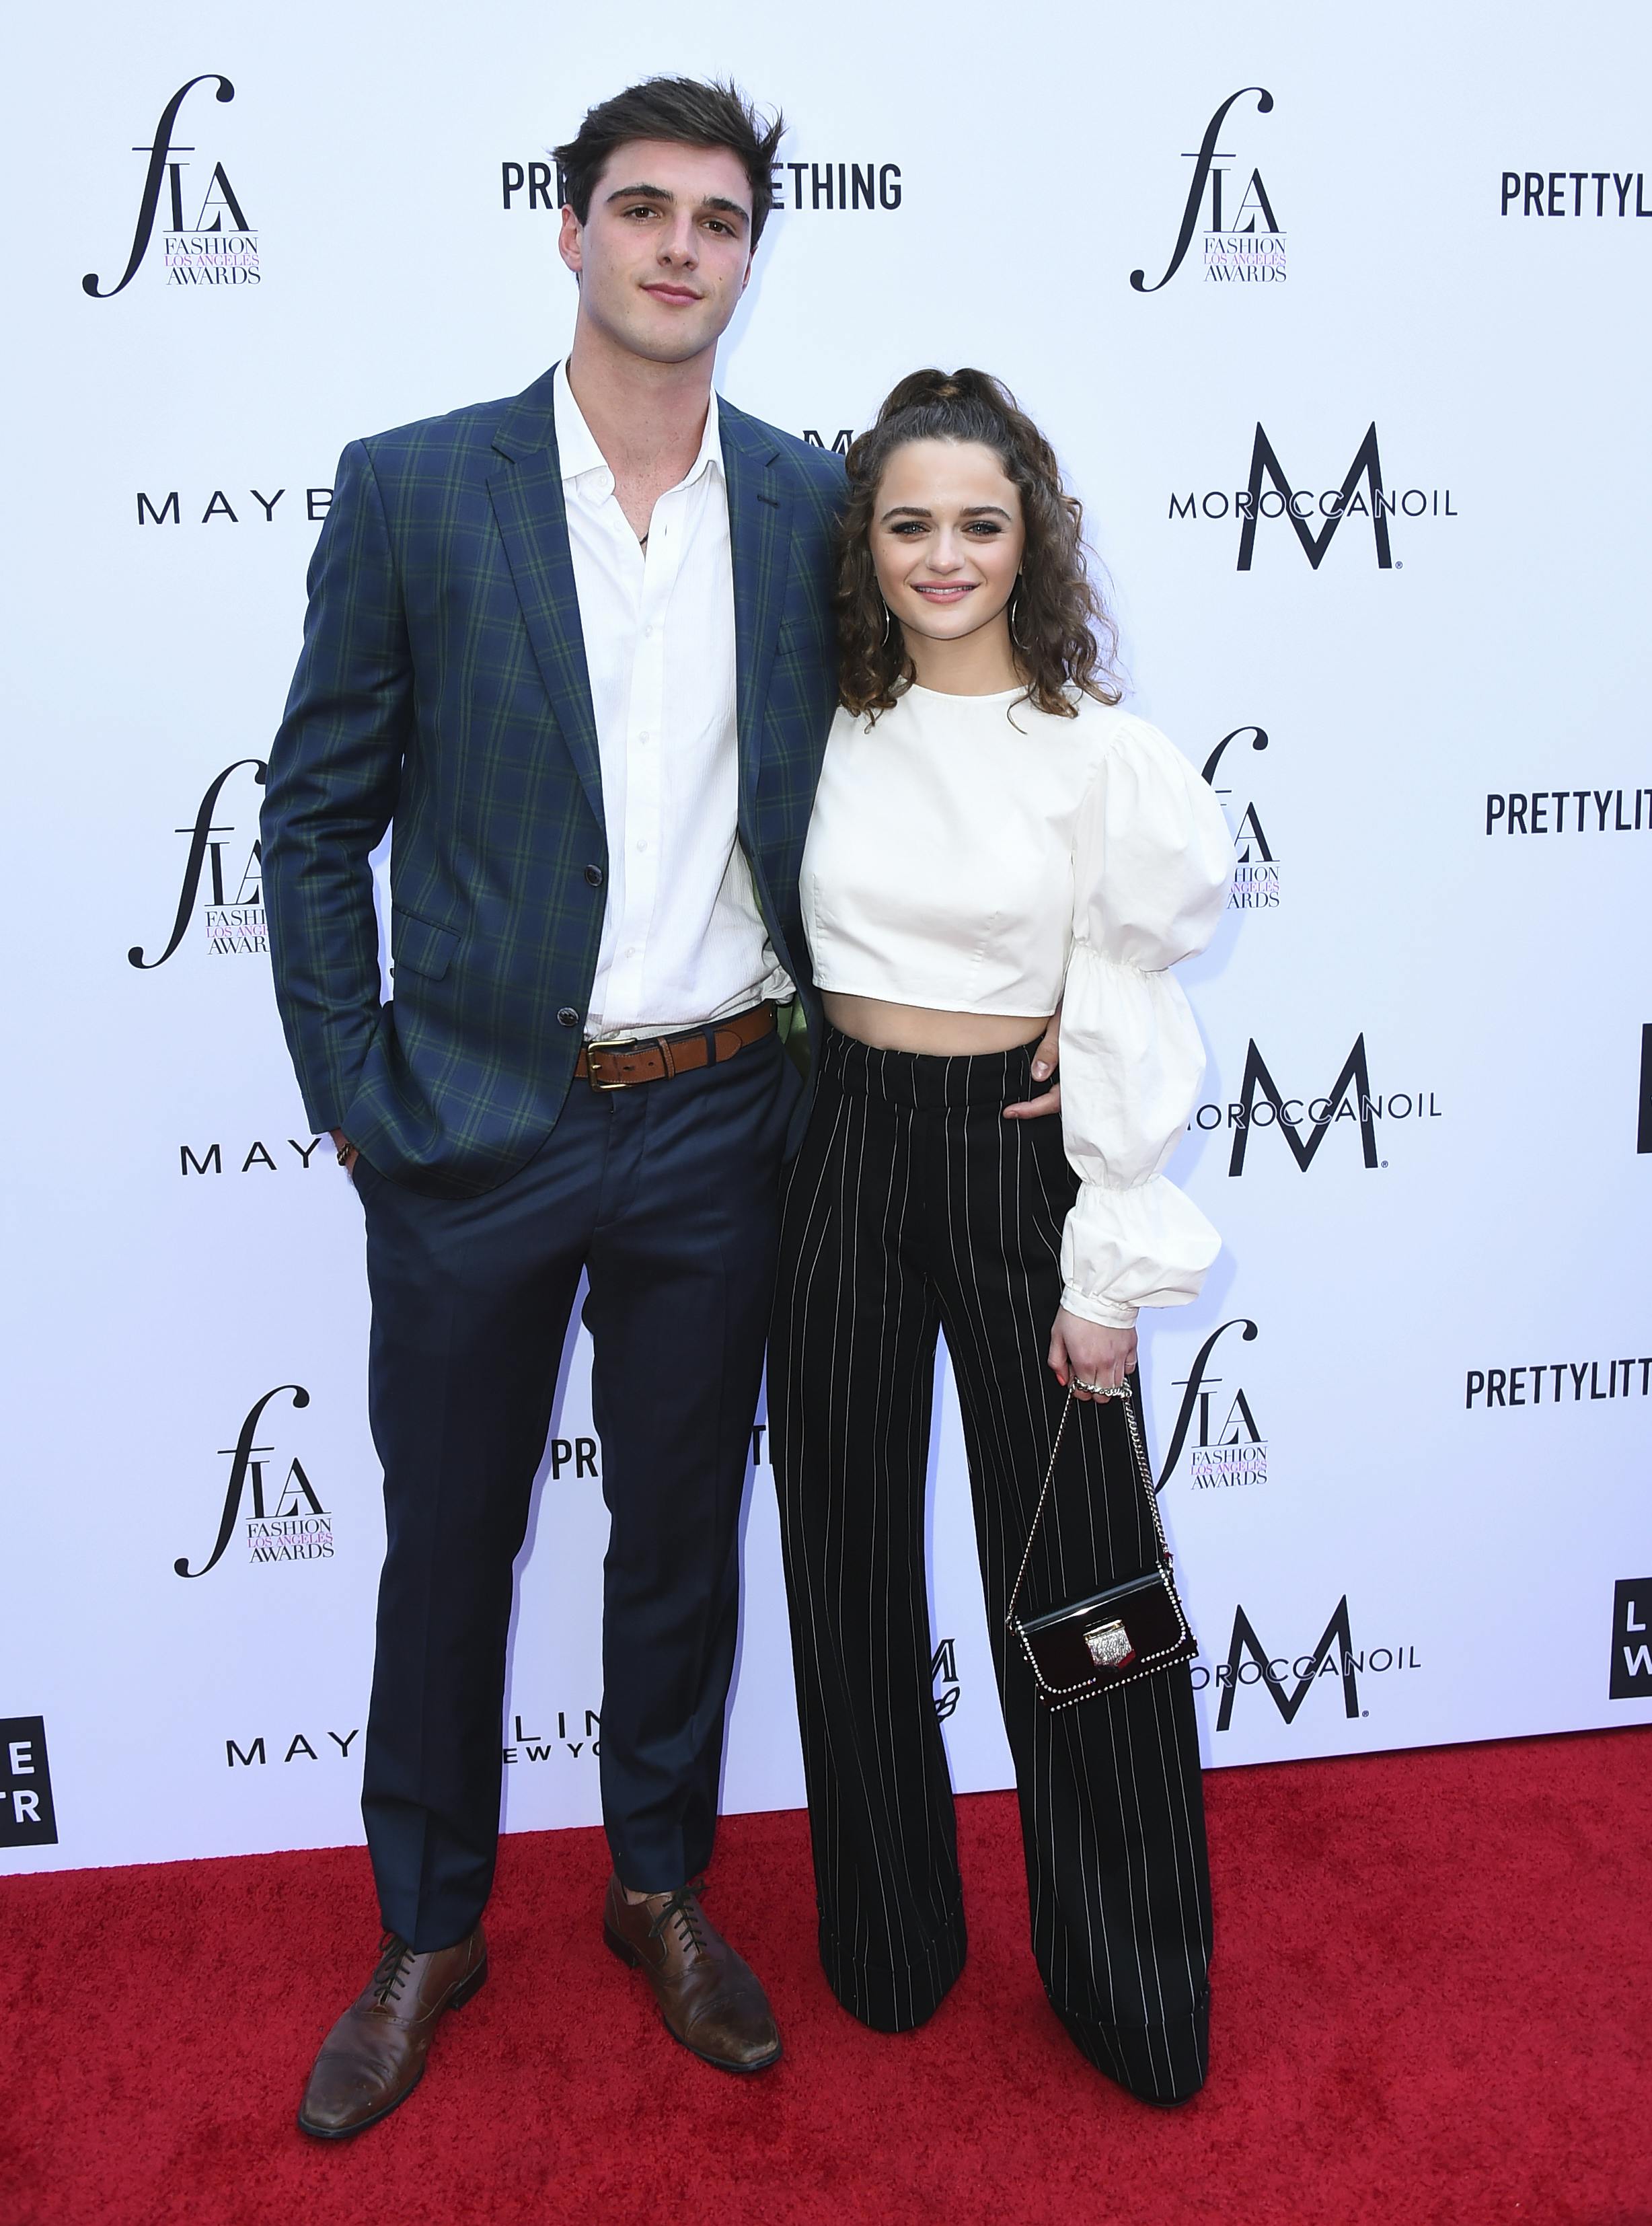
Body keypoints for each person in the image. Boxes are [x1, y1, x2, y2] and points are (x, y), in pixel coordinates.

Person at [262, 77, 866, 2138]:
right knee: (449, 1545)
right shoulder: (418, 488)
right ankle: (428, 1925)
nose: (681, 245)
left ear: (753, 252)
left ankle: (660, 1889)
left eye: (719, 216)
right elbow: (314, 810)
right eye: (642, 208)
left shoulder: (811, 503)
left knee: (680, 1537)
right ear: (571, 232)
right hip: (477, 1129)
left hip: (722, 1117)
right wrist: (356, 1087)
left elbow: (918, 778)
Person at [771, 369, 1232, 2106]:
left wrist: (1110, 1258)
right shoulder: (824, 720)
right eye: (909, 525)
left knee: (1087, 1585)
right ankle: (888, 1946)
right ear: (865, 546)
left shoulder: (1099, 753)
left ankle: (1132, 1986)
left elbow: (1130, 1002)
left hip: (1014, 1171)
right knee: (843, 1560)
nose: (943, 555)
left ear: (1029, 534)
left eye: (979, 522)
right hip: (836, 1156)